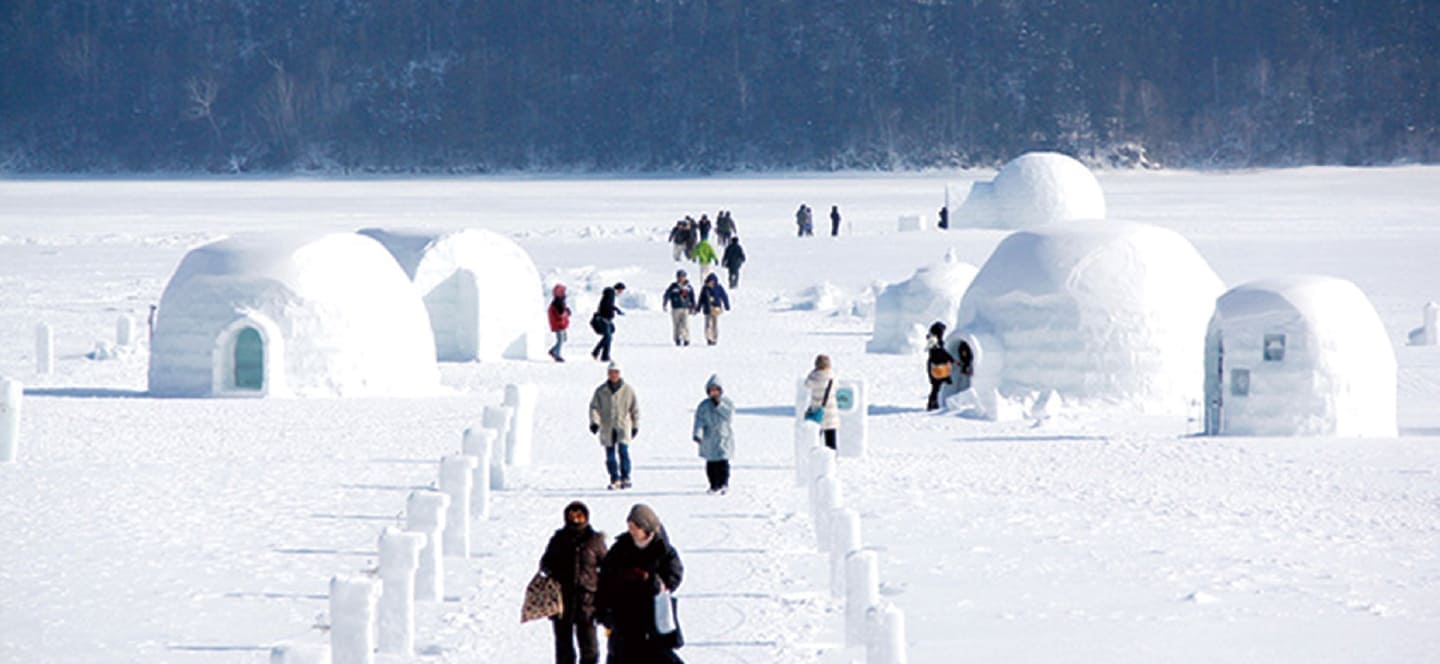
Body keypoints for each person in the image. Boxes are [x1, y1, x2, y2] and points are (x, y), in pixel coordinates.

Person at [597, 504, 684, 663]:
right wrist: (603, 611)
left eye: (635, 527)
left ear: (646, 528)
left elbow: (674, 574)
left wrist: (655, 582)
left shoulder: (663, 549)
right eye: (629, 526)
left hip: (653, 616)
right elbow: (605, 578)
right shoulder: (620, 548)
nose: (631, 530)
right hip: (624, 615)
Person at [539, 501, 608, 664]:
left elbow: (607, 565)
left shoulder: (595, 540)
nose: (576, 520)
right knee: (563, 647)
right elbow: (545, 562)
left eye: (580, 516)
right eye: (572, 516)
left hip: (587, 600)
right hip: (562, 599)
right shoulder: (558, 539)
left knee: (589, 647)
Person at [590, 362, 639, 490]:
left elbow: (635, 409)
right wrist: (595, 422)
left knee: (623, 451)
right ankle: (614, 478)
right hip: (607, 426)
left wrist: (635, 425)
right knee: (610, 455)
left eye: (616, 372)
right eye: (611, 372)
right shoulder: (601, 391)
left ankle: (625, 476)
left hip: (623, 425)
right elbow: (594, 407)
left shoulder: (628, 390)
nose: (613, 375)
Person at [692, 375, 734, 494]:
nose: (714, 393)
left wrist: (718, 405)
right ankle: (713, 485)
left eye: (716, 390)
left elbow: (729, 415)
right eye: (711, 391)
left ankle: (724, 483)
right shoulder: (703, 406)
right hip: (709, 439)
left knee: (722, 463)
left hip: (722, 437)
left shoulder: (727, 403)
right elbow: (699, 421)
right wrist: (697, 435)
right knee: (711, 465)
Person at [804, 354, 840, 450]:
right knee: (831, 441)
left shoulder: (813, 378)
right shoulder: (832, 377)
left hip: (817, 414)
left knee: (815, 439)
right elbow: (837, 387)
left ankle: (814, 458)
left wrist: (813, 372)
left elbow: (806, 384)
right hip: (831, 415)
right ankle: (831, 460)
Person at [924, 321, 956, 410]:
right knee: (936, 386)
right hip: (936, 366)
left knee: (937, 386)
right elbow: (940, 352)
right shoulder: (934, 340)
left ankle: (934, 403)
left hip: (937, 365)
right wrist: (952, 360)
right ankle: (932, 404)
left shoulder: (933, 339)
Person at [590, 283, 626, 362]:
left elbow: (608, 305)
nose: (621, 293)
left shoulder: (610, 294)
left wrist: (616, 310)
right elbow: (606, 306)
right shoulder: (611, 294)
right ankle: (599, 354)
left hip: (605, 319)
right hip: (603, 319)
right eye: (621, 290)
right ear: (619, 289)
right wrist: (611, 313)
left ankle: (603, 355)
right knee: (608, 337)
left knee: (608, 337)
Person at [662, 270, 697, 347]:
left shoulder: (688, 287)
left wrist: (694, 306)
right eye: (679, 277)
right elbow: (667, 294)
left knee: (686, 324)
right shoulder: (673, 286)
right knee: (676, 325)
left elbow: (692, 297)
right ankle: (677, 338)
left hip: (685, 308)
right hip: (676, 308)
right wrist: (665, 303)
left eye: (682, 276)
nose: (681, 278)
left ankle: (686, 339)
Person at [696, 273, 730, 346]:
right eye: (710, 281)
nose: (711, 283)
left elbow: (724, 296)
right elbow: (701, 298)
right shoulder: (705, 288)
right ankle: (709, 338)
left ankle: (714, 338)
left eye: (712, 281)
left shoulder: (718, 287)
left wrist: (727, 305)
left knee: (714, 324)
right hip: (707, 309)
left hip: (716, 308)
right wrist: (698, 308)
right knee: (708, 324)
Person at [549, 284, 572, 362]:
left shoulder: (559, 302)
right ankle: (557, 355)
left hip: (561, 324)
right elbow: (560, 314)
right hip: (559, 324)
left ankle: (553, 351)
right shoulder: (558, 302)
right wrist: (566, 312)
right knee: (560, 340)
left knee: (563, 339)